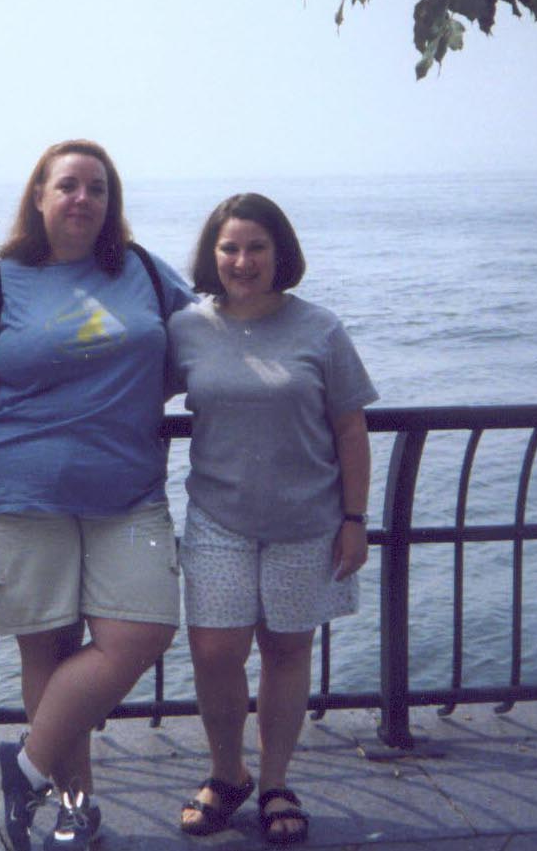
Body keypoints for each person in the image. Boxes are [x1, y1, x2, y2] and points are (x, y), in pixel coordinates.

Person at [0, 139, 195, 851]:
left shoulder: (143, 270)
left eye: (98, 188)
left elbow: (205, 334)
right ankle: (74, 809)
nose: (83, 199)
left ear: (111, 205)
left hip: (131, 491)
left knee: (142, 628)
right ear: (40, 198)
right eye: (69, 185)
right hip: (20, 492)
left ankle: (20, 768)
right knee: (47, 654)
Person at [167, 193, 377, 846]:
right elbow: (126, 393)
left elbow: (351, 427)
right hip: (218, 516)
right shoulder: (186, 327)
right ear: (212, 254)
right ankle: (227, 771)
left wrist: (355, 517)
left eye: (257, 246)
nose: (242, 259)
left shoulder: (321, 328)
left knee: (288, 650)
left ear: (280, 253)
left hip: (308, 518)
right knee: (214, 649)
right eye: (230, 247)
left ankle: (276, 781)